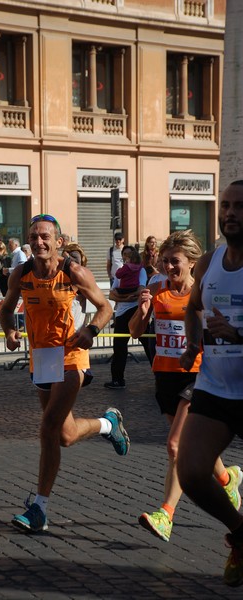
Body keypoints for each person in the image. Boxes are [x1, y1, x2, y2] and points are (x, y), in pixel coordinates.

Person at [0, 213, 130, 533]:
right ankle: (107, 423)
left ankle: (39, 509)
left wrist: (92, 330)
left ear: (58, 242)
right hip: (42, 357)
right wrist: (10, 332)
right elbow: (5, 308)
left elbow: (105, 307)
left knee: (47, 428)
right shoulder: (21, 273)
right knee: (65, 435)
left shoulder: (73, 272)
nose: (38, 242)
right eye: (33, 237)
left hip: (72, 355)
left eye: (45, 237)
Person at [129, 230, 241, 544]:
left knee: (175, 446)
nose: (168, 267)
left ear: (192, 263)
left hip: (197, 375)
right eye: (164, 261)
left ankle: (166, 514)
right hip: (165, 375)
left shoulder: (204, 289)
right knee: (192, 447)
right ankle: (226, 477)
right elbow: (136, 332)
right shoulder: (155, 287)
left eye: (174, 261)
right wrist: (142, 312)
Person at [177, 180, 243, 587]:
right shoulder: (209, 263)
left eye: (240, 206)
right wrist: (193, 343)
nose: (230, 212)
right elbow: (193, 307)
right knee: (192, 472)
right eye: (226, 205)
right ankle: (240, 534)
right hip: (215, 388)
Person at [104, 245, 151, 389]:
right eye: (124, 254)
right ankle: (117, 380)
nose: (126, 257)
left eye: (129, 254)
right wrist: (125, 298)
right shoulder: (120, 272)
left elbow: (141, 291)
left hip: (136, 311)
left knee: (149, 345)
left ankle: (161, 375)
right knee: (119, 347)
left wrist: (123, 297)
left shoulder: (141, 270)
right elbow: (112, 294)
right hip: (122, 313)